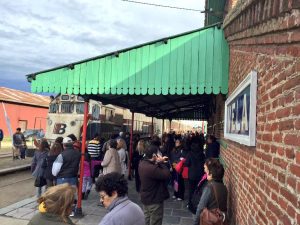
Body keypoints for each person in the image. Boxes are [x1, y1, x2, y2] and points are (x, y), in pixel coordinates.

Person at [139, 145, 170, 225]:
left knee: (147, 220)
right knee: (155, 221)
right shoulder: (151, 168)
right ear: (154, 155)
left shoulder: (142, 163)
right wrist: (162, 163)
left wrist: (157, 162)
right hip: (154, 200)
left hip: (146, 198)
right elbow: (166, 174)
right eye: (158, 153)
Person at [194, 158, 228, 225]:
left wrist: (195, 223)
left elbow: (200, 207)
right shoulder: (224, 187)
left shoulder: (209, 188)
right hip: (220, 220)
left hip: (210, 220)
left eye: (207, 172)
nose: (205, 173)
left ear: (211, 175)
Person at [184, 142, 206, 208]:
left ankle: (190, 203)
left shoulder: (190, 154)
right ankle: (197, 203)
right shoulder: (202, 154)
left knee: (191, 189)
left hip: (192, 174)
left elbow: (186, 164)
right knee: (198, 189)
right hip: (200, 174)